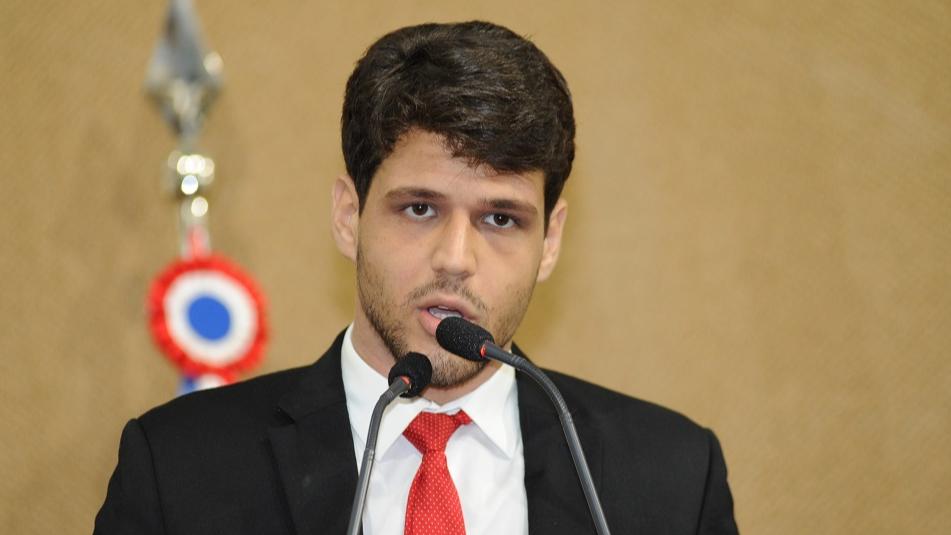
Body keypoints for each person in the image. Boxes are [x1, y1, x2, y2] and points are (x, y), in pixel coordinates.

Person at [95, 21, 738, 535]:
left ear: (550, 242)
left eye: (501, 219)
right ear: (348, 216)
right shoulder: (179, 468)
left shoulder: (674, 477)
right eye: (420, 209)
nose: (456, 258)